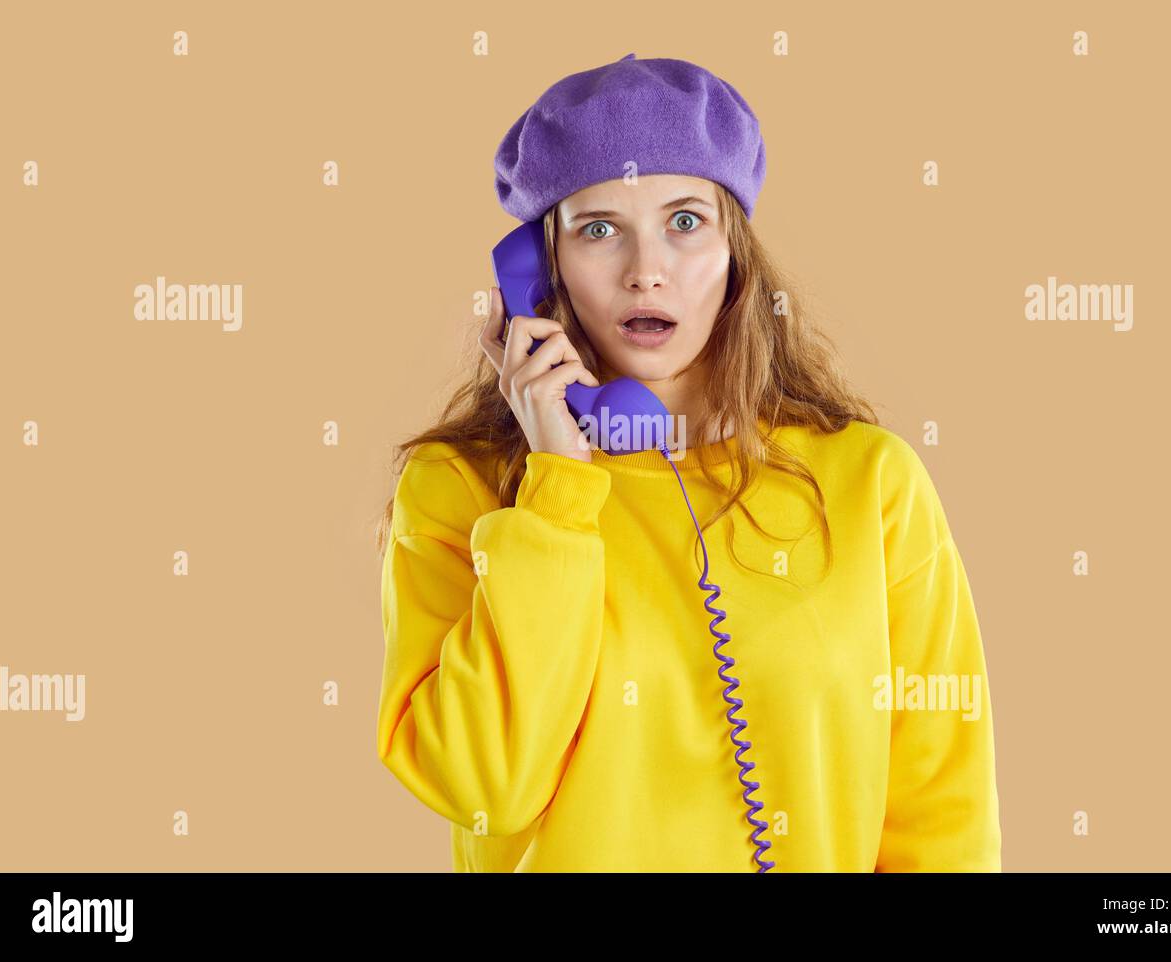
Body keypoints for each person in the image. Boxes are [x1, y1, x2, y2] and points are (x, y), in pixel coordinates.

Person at [375, 53, 1001, 872]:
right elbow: (483, 782)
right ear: (541, 267)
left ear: (736, 251)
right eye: (600, 230)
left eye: (685, 221)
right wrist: (557, 487)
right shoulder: (461, 491)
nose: (647, 270)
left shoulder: (872, 484)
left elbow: (940, 821)